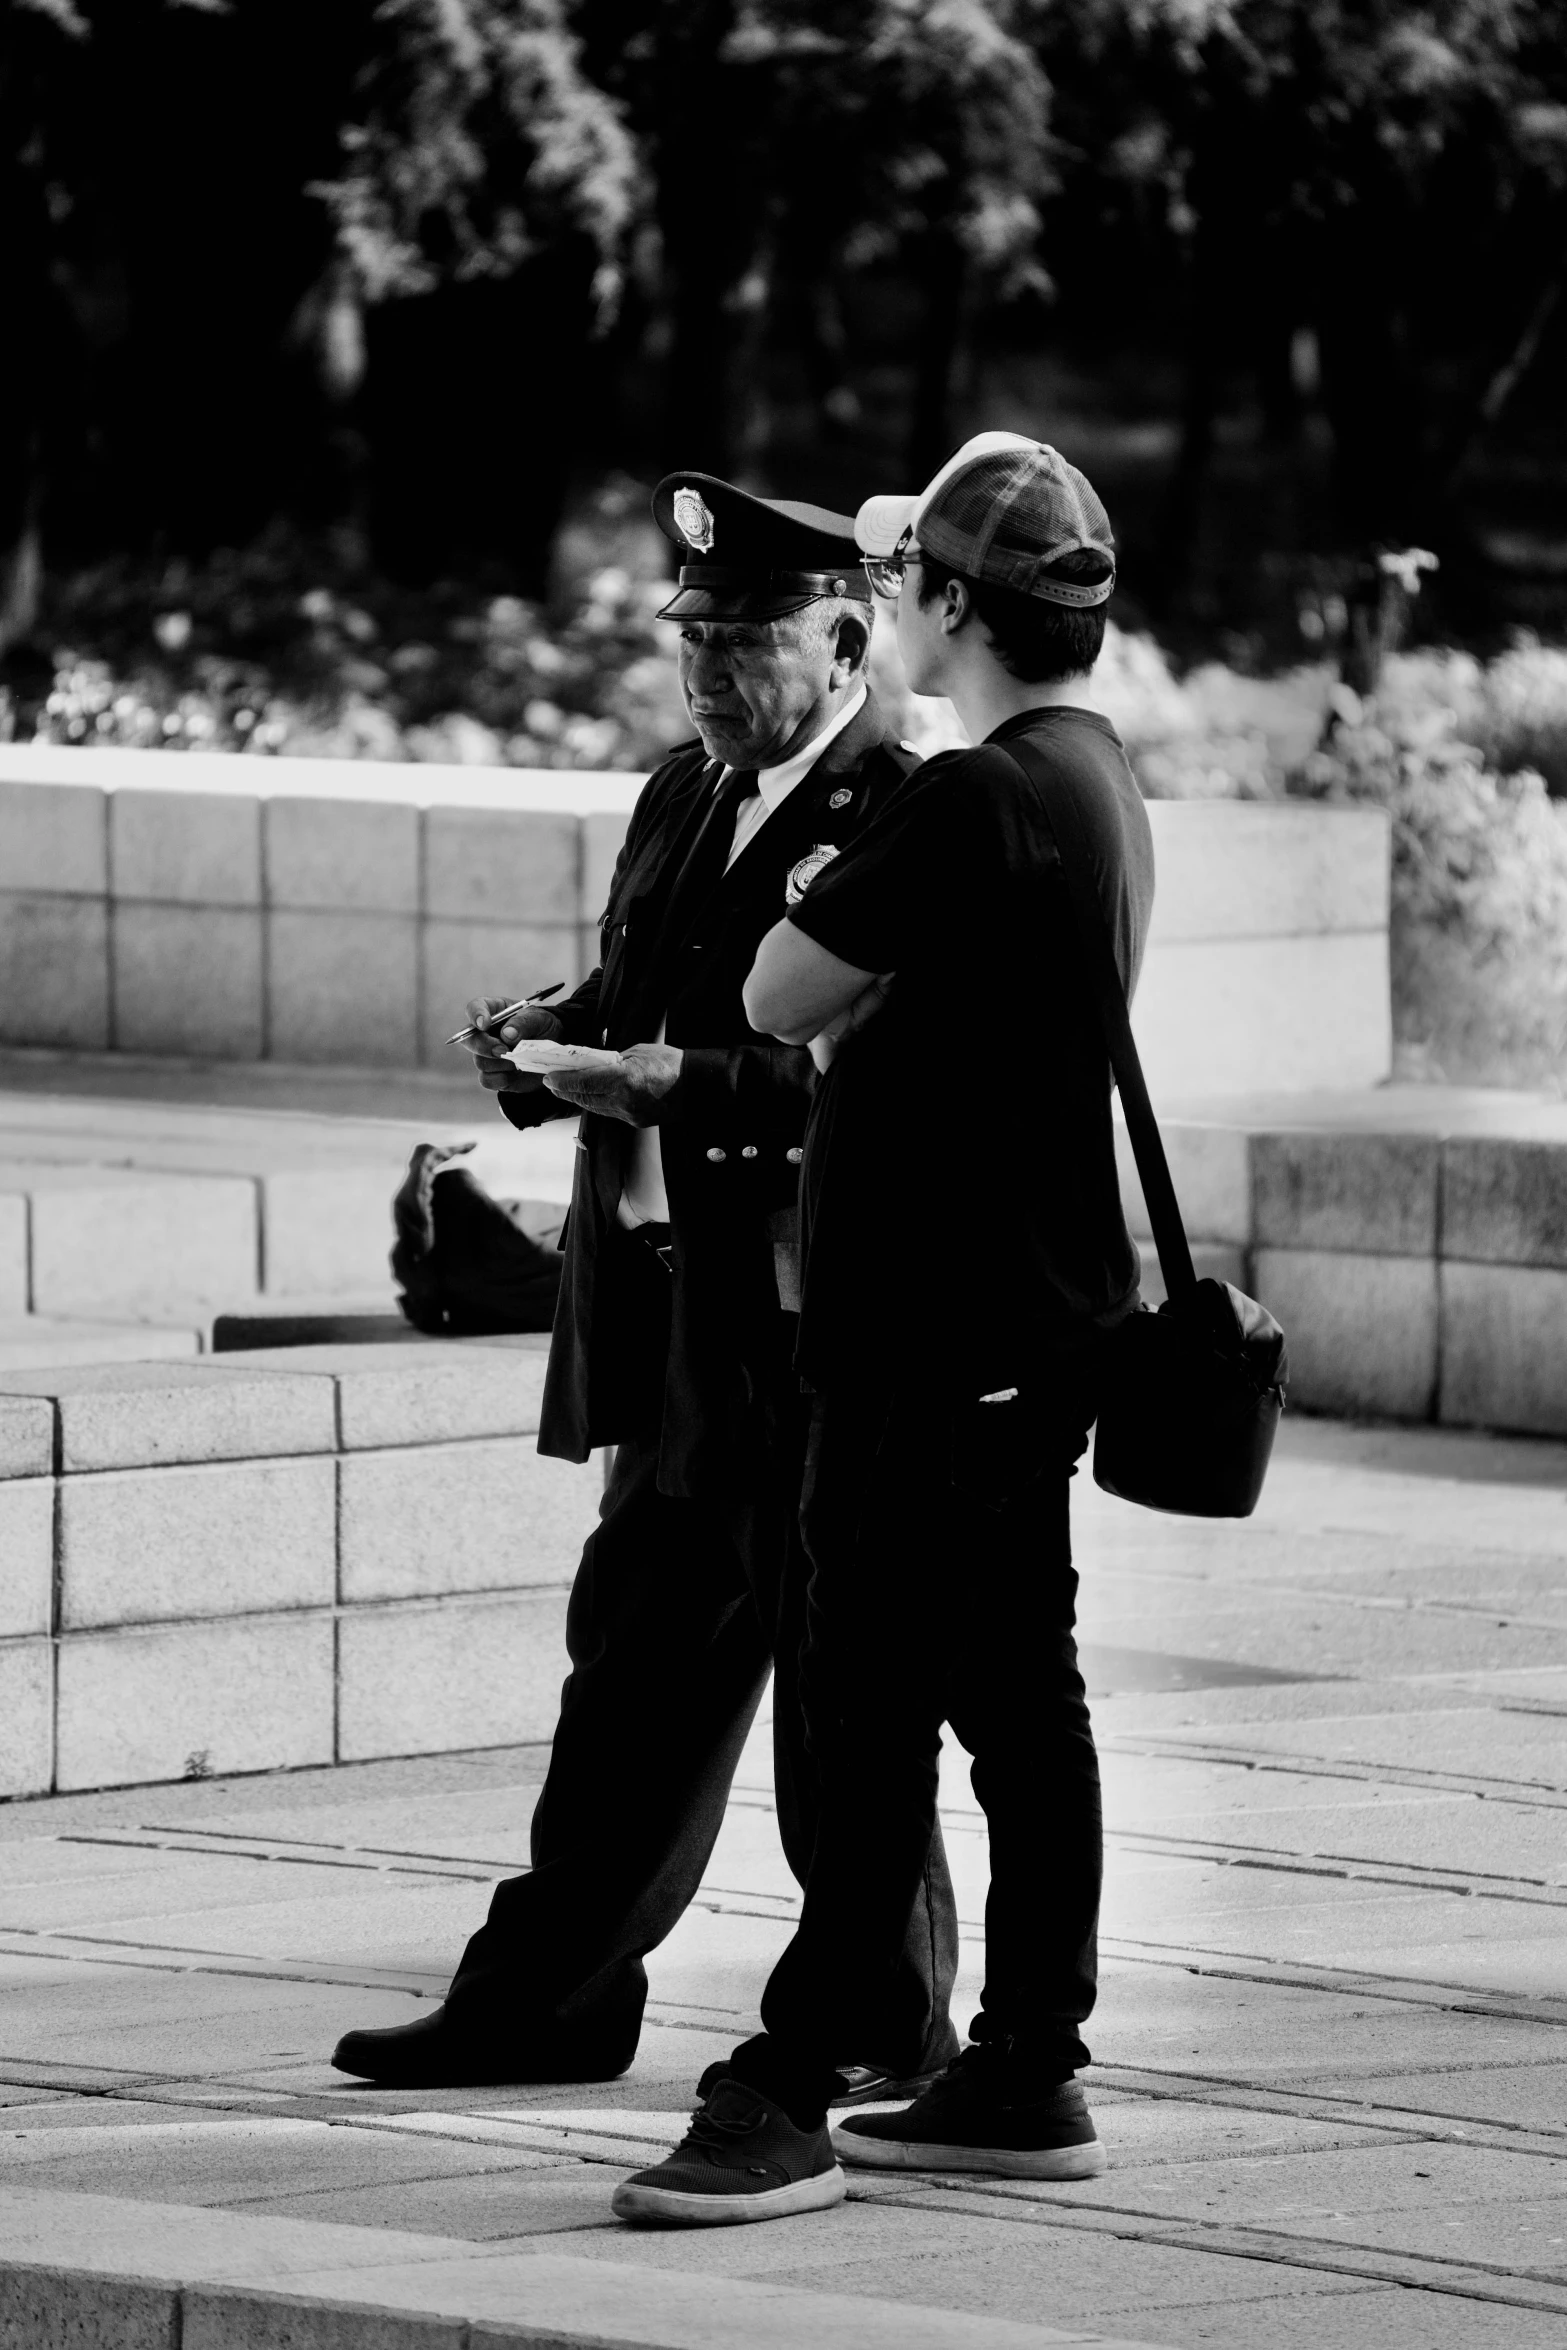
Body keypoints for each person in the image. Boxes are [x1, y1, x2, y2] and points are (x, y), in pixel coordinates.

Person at [332, 472, 959, 2092]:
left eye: (739, 641)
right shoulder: (685, 787)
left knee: (839, 1689)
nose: (700, 675)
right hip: (671, 1312)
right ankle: (541, 1999)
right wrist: (545, 1046)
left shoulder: (903, 810)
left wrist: (670, 1084)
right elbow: (639, 984)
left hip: (808, 1323)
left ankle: (885, 2020)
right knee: (632, 1665)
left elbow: (864, 1081)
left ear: (843, 638)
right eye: (690, 641)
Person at [612, 432, 1156, 2226]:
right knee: (1020, 1702)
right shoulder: (1097, 776)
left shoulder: (967, 793)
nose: (890, 605)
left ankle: (801, 2065)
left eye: (901, 581)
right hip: (1039, 1323)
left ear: (937, 603)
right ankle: (1025, 2065)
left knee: (866, 1708)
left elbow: (778, 989)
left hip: (924, 1335)